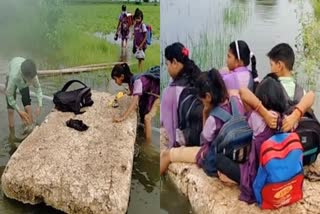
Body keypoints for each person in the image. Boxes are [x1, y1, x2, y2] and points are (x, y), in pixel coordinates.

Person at [160, 42, 201, 148]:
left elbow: (169, 130)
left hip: (187, 142)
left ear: (174, 62)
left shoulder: (170, 92)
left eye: (167, 64)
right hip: (201, 137)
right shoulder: (199, 77)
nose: (167, 68)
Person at [111, 63, 160, 144]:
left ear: (122, 77)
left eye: (115, 79)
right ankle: (144, 134)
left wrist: (123, 117)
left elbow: (134, 102)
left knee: (147, 118)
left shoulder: (137, 81)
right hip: (150, 93)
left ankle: (148, 145)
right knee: (142, 114)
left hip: (158, 95)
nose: (115, 82)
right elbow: (134, 92)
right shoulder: (132, 80)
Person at [5, 57, 43, 142]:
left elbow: (38, 89)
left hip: (24, 78)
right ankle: (12, 136)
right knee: (10, 110)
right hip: (14, 74)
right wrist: (19, 111)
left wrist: (39, 105)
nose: (32, 80)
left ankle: (30, 127)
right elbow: (9, 96)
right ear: (24, 76)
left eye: (32, 78)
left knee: (27, 105)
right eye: (30, 79)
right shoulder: (13, 77)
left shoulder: (32, 75)